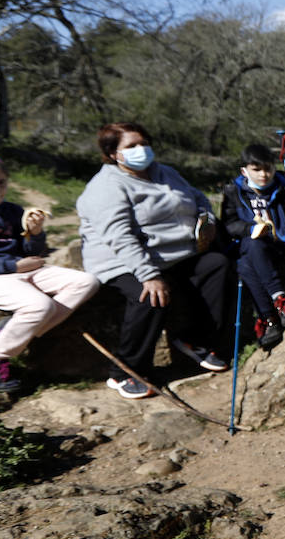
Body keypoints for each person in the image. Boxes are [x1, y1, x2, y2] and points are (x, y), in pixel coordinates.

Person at [77, 122, 230, 398]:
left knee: (216, 265)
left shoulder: (165, 172)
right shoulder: (106, 186)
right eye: (131, 146)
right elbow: (119, 236)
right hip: (120, 259)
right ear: (113, 153)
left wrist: (206, 221)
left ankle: (193, 340)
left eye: (143, 143)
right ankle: (125, 370)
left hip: (173, 254)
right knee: (150, 296)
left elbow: (199, 198)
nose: (141, 150)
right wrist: (148, 275)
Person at [0, 154, 100, 392]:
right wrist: (13, 267)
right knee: (40, 306)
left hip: (24, 270)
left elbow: (32, 251)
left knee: (87, 282)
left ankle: (9, 333)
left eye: (1, 182)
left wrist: (35, 234)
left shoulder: (13, 211)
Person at [220, 143, 285, 350]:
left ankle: (269, 319)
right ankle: (281, 301)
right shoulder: (234, 191)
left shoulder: (284, 184)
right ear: (244, 171)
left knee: (245, 265)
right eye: (257, 169)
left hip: (281, 243)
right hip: (251, 242)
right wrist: (250, 228)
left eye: (268, 168)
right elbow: (229, 223)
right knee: (252, 247)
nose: (264, 174)